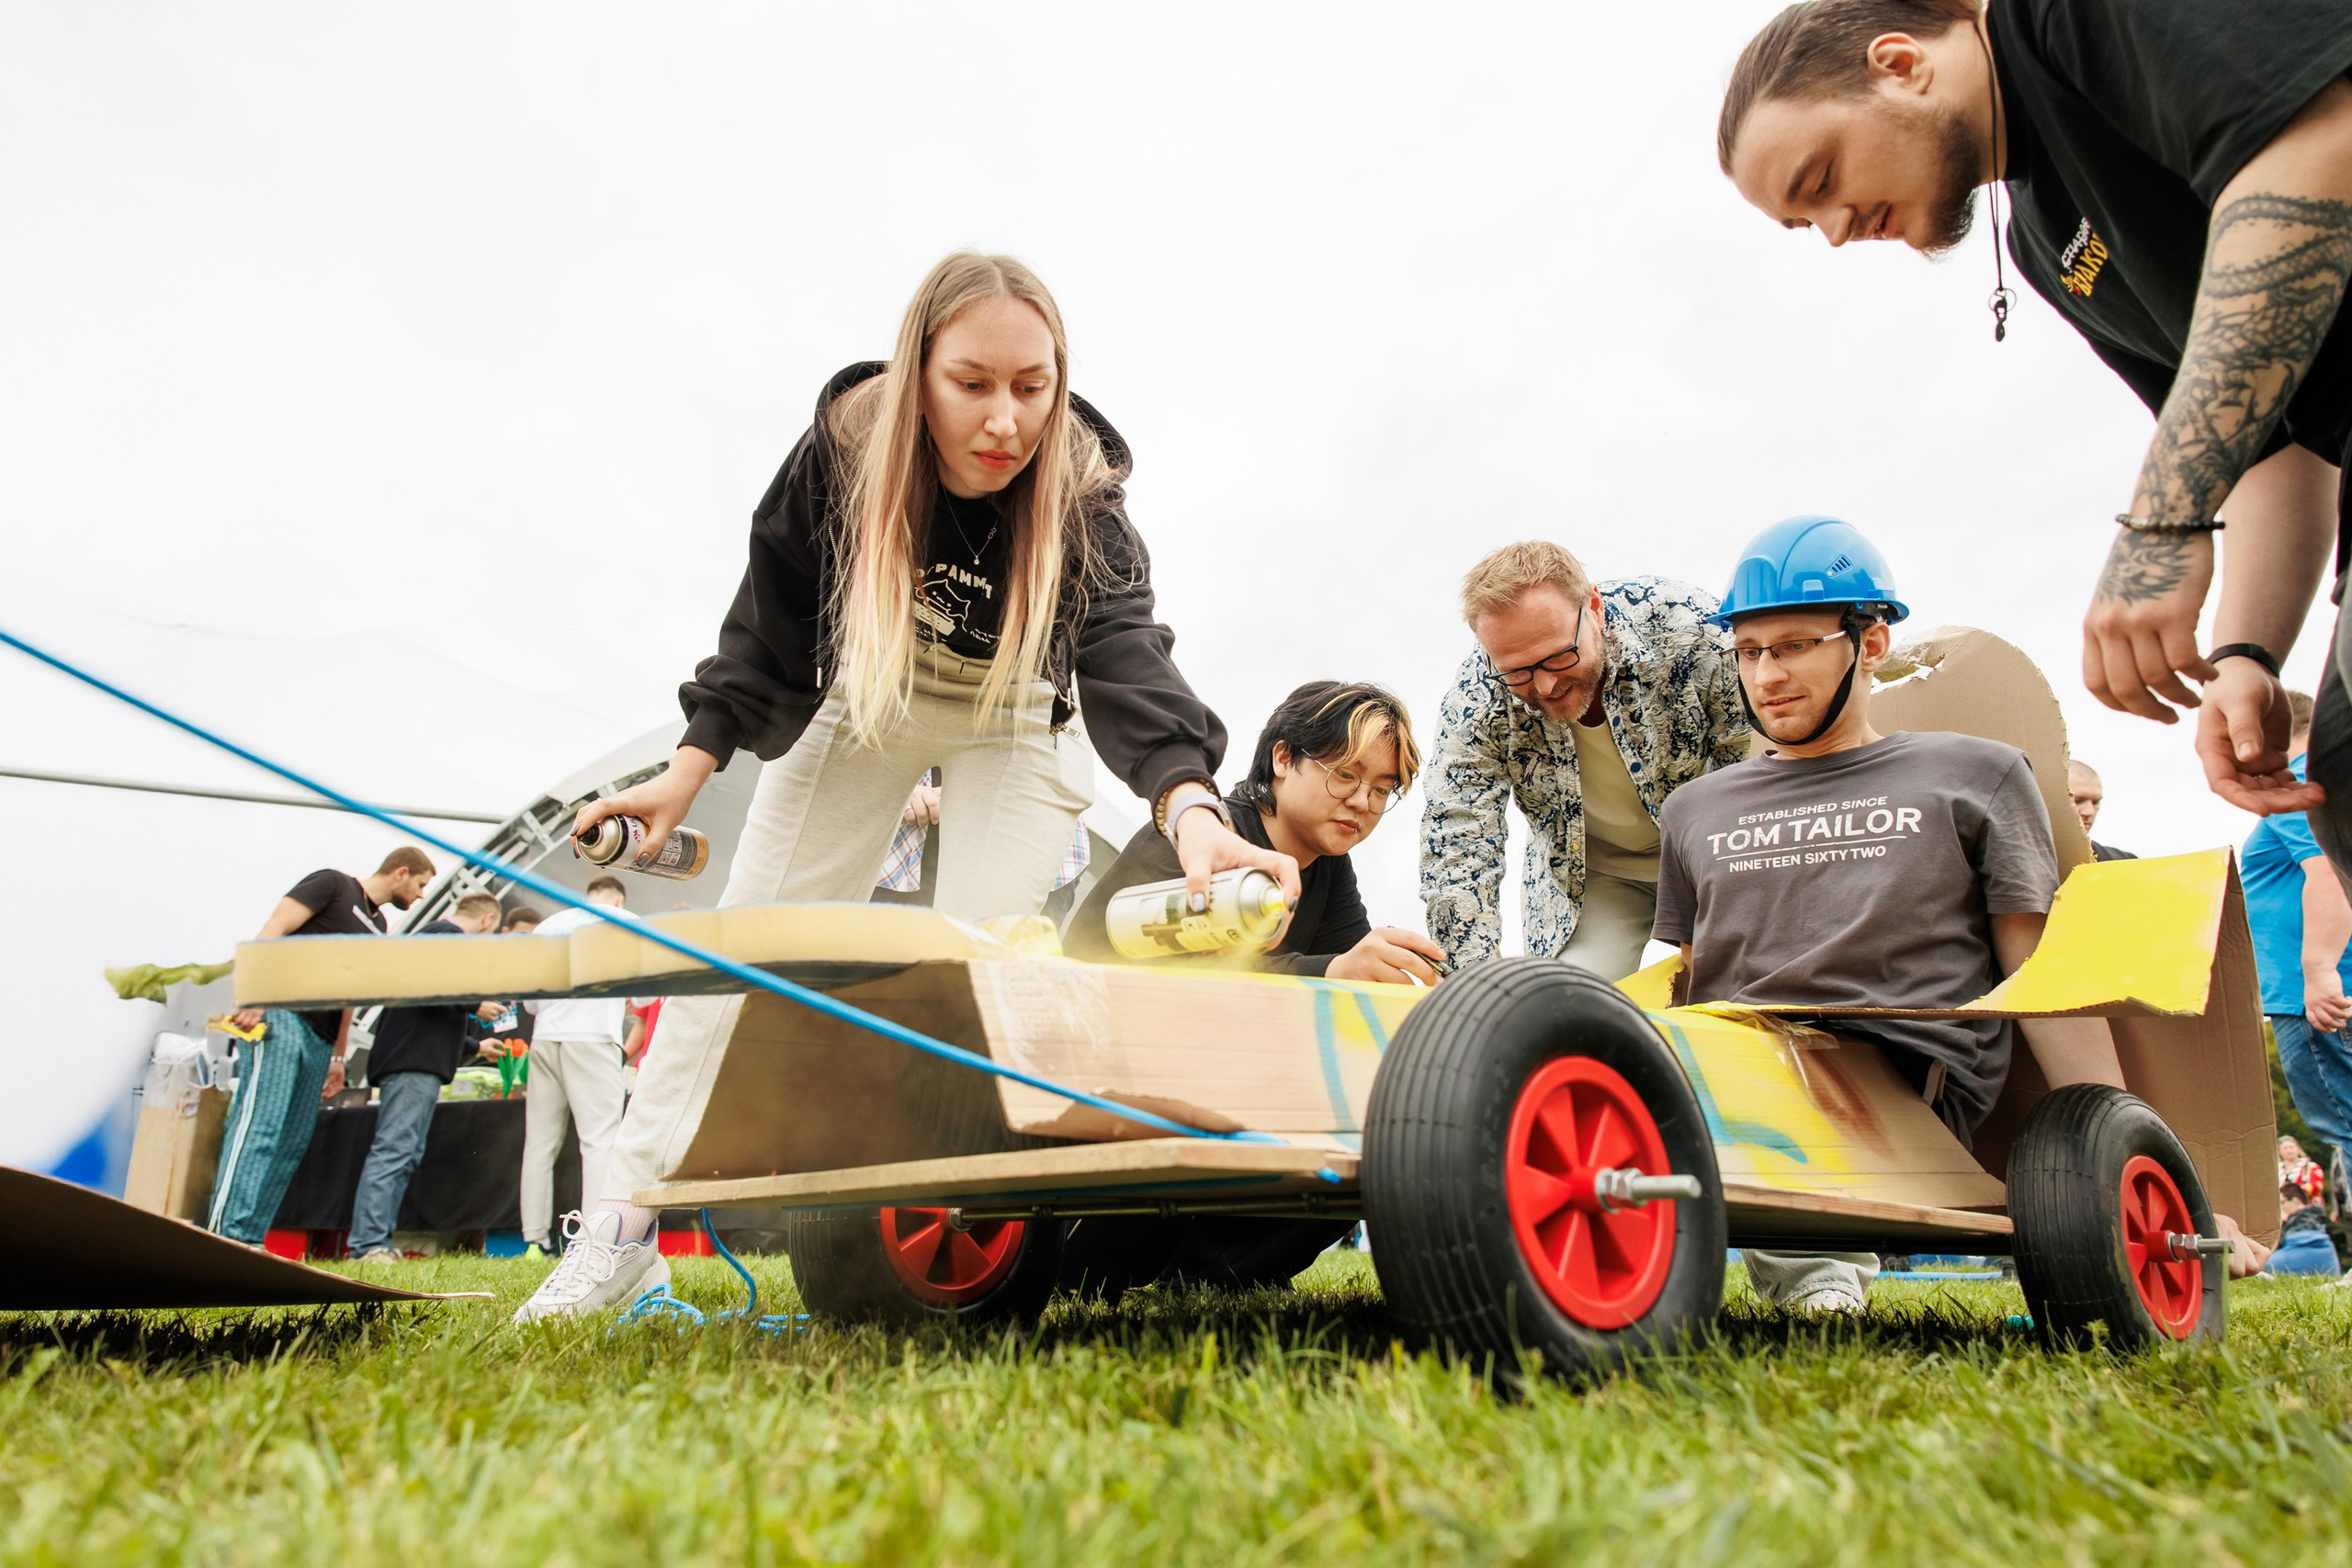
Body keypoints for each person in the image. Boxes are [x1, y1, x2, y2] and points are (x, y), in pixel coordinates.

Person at [514, 253, 1287, 1322]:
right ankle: (621, 1234)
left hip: (1015, 713)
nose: (1006, 421)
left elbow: (1124, 654)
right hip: (874, 692)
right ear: (917, 368)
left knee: (977, 963)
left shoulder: (1082, 497)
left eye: (1033, 386)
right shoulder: (842, 457)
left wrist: (1192, 811)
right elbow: (766, 633)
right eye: (972, 383)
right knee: (742, 944)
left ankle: (974, 1231)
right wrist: (685, 772)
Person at [1715, 0, 2352, 877]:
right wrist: (2246, 651)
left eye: (1821, 178)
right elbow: (2268, 448)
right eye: (1802, 224)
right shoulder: (2048, 247)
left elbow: (2317, 147)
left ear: (1900, 63)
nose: (1834, 230)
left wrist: (2163, 520)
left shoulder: (2065, 20)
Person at [1651, 517, 2264, 1314]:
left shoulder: (1973, 773)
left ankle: (1817, 1280)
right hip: (1727, 1058)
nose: (1766, 675)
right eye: (1748, 651)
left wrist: (2147, 1165)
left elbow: (2040, 975)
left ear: (1869, 645)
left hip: (1897, 1064)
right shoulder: (1696, 806)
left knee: (1777, 1073)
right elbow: (1671, 962)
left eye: (1795, 645)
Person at [1419, 542, 1748, 983]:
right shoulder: (1476, 700)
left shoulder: (1690, 628)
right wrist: (1471, 987)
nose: (1547, 684)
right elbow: (1459, 843)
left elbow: (1749, 757)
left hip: (1715, 853)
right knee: (1570, 1006)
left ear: (1593, 606)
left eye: (1559, 656)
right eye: (1518, 672)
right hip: (1590, 875)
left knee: (1740, 985)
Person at [1069, 682, 1445, 980]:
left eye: (1381, 790)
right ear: (1283, 758)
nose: (1362, 802)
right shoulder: (1201, 835)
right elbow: (1185, 976)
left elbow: (1350, 961)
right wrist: (1333, 970)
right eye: (1345, 774)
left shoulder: (1329, 866)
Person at [206, 847, 437, 1246]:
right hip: (279, 1014)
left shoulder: (379, 926)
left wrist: (337, 1056)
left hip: (320, 1040)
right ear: (401, 873)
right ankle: (224, 1235)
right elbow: (272, 930)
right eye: (420, 885)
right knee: (260, 1126)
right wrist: (252, 995)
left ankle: (251, 1240)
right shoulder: (331, 883)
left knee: (292, 1141)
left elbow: (351, 993)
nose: (420, 896)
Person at [346, 892, 503, 1263]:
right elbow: (428, 983)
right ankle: (368, 1245)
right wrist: (473, 1003)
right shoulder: (444, 934)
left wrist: (477, 1047)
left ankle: (376, 1242)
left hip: (416, 1062)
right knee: (394, 1150)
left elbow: (431, 1009)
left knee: (404, 1152)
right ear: (487, 921)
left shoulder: (435, 936)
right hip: (410, 1065)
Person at [2242, 689, 2352, 1188]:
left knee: (2343, 1121)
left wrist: (2318, 971)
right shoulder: (2332, 783)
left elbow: (2325, 872)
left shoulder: (2293, 785)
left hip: (2316, 993)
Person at [516, 874, 637, 1264]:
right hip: (594, 1037)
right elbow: (647, 994)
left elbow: (529, 1002)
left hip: (545, 1036)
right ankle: (593, 1240)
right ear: (618, 900)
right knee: (600, 1139)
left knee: (539, 1142)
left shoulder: (551, 924)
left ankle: (535, 1242)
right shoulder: (626, 922)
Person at [2267, 1182, 2344, 1280]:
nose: (2281, 1207)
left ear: (2295, 1201)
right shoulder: (2317, 1218)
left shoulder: (2300, 1222)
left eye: (2282, 1202)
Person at [2064, 761, 2134, 863]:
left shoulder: (2123, 862)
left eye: (2095, 802)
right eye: (2077, 800)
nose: (2089, 812)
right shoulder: (2036, 861)